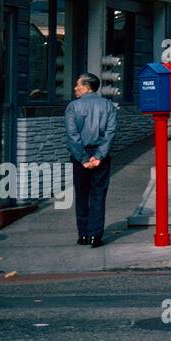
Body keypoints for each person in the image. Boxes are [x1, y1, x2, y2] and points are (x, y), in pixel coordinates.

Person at [65, 73, 118, 247]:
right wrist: (100, 156)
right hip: (101, 155)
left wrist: (83, 158)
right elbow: (110, 133)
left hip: (81, 154)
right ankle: (96, 235)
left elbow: (72, 135)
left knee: (81, 195)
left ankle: (83, 234)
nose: (75, 88)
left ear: (87, 87)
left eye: (77, 85)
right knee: (98, 195)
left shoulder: (73, 107)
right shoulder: (108, 106)